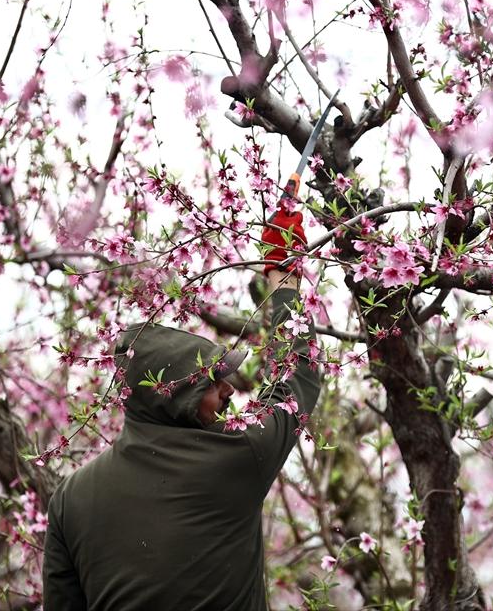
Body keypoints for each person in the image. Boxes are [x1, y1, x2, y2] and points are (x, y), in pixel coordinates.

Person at [41, 205, 318, 610]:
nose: (227, 390)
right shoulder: (237, 456)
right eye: (211, 381)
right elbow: (298, 377)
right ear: (171, 397)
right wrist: (284, 274)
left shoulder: (70, 498)